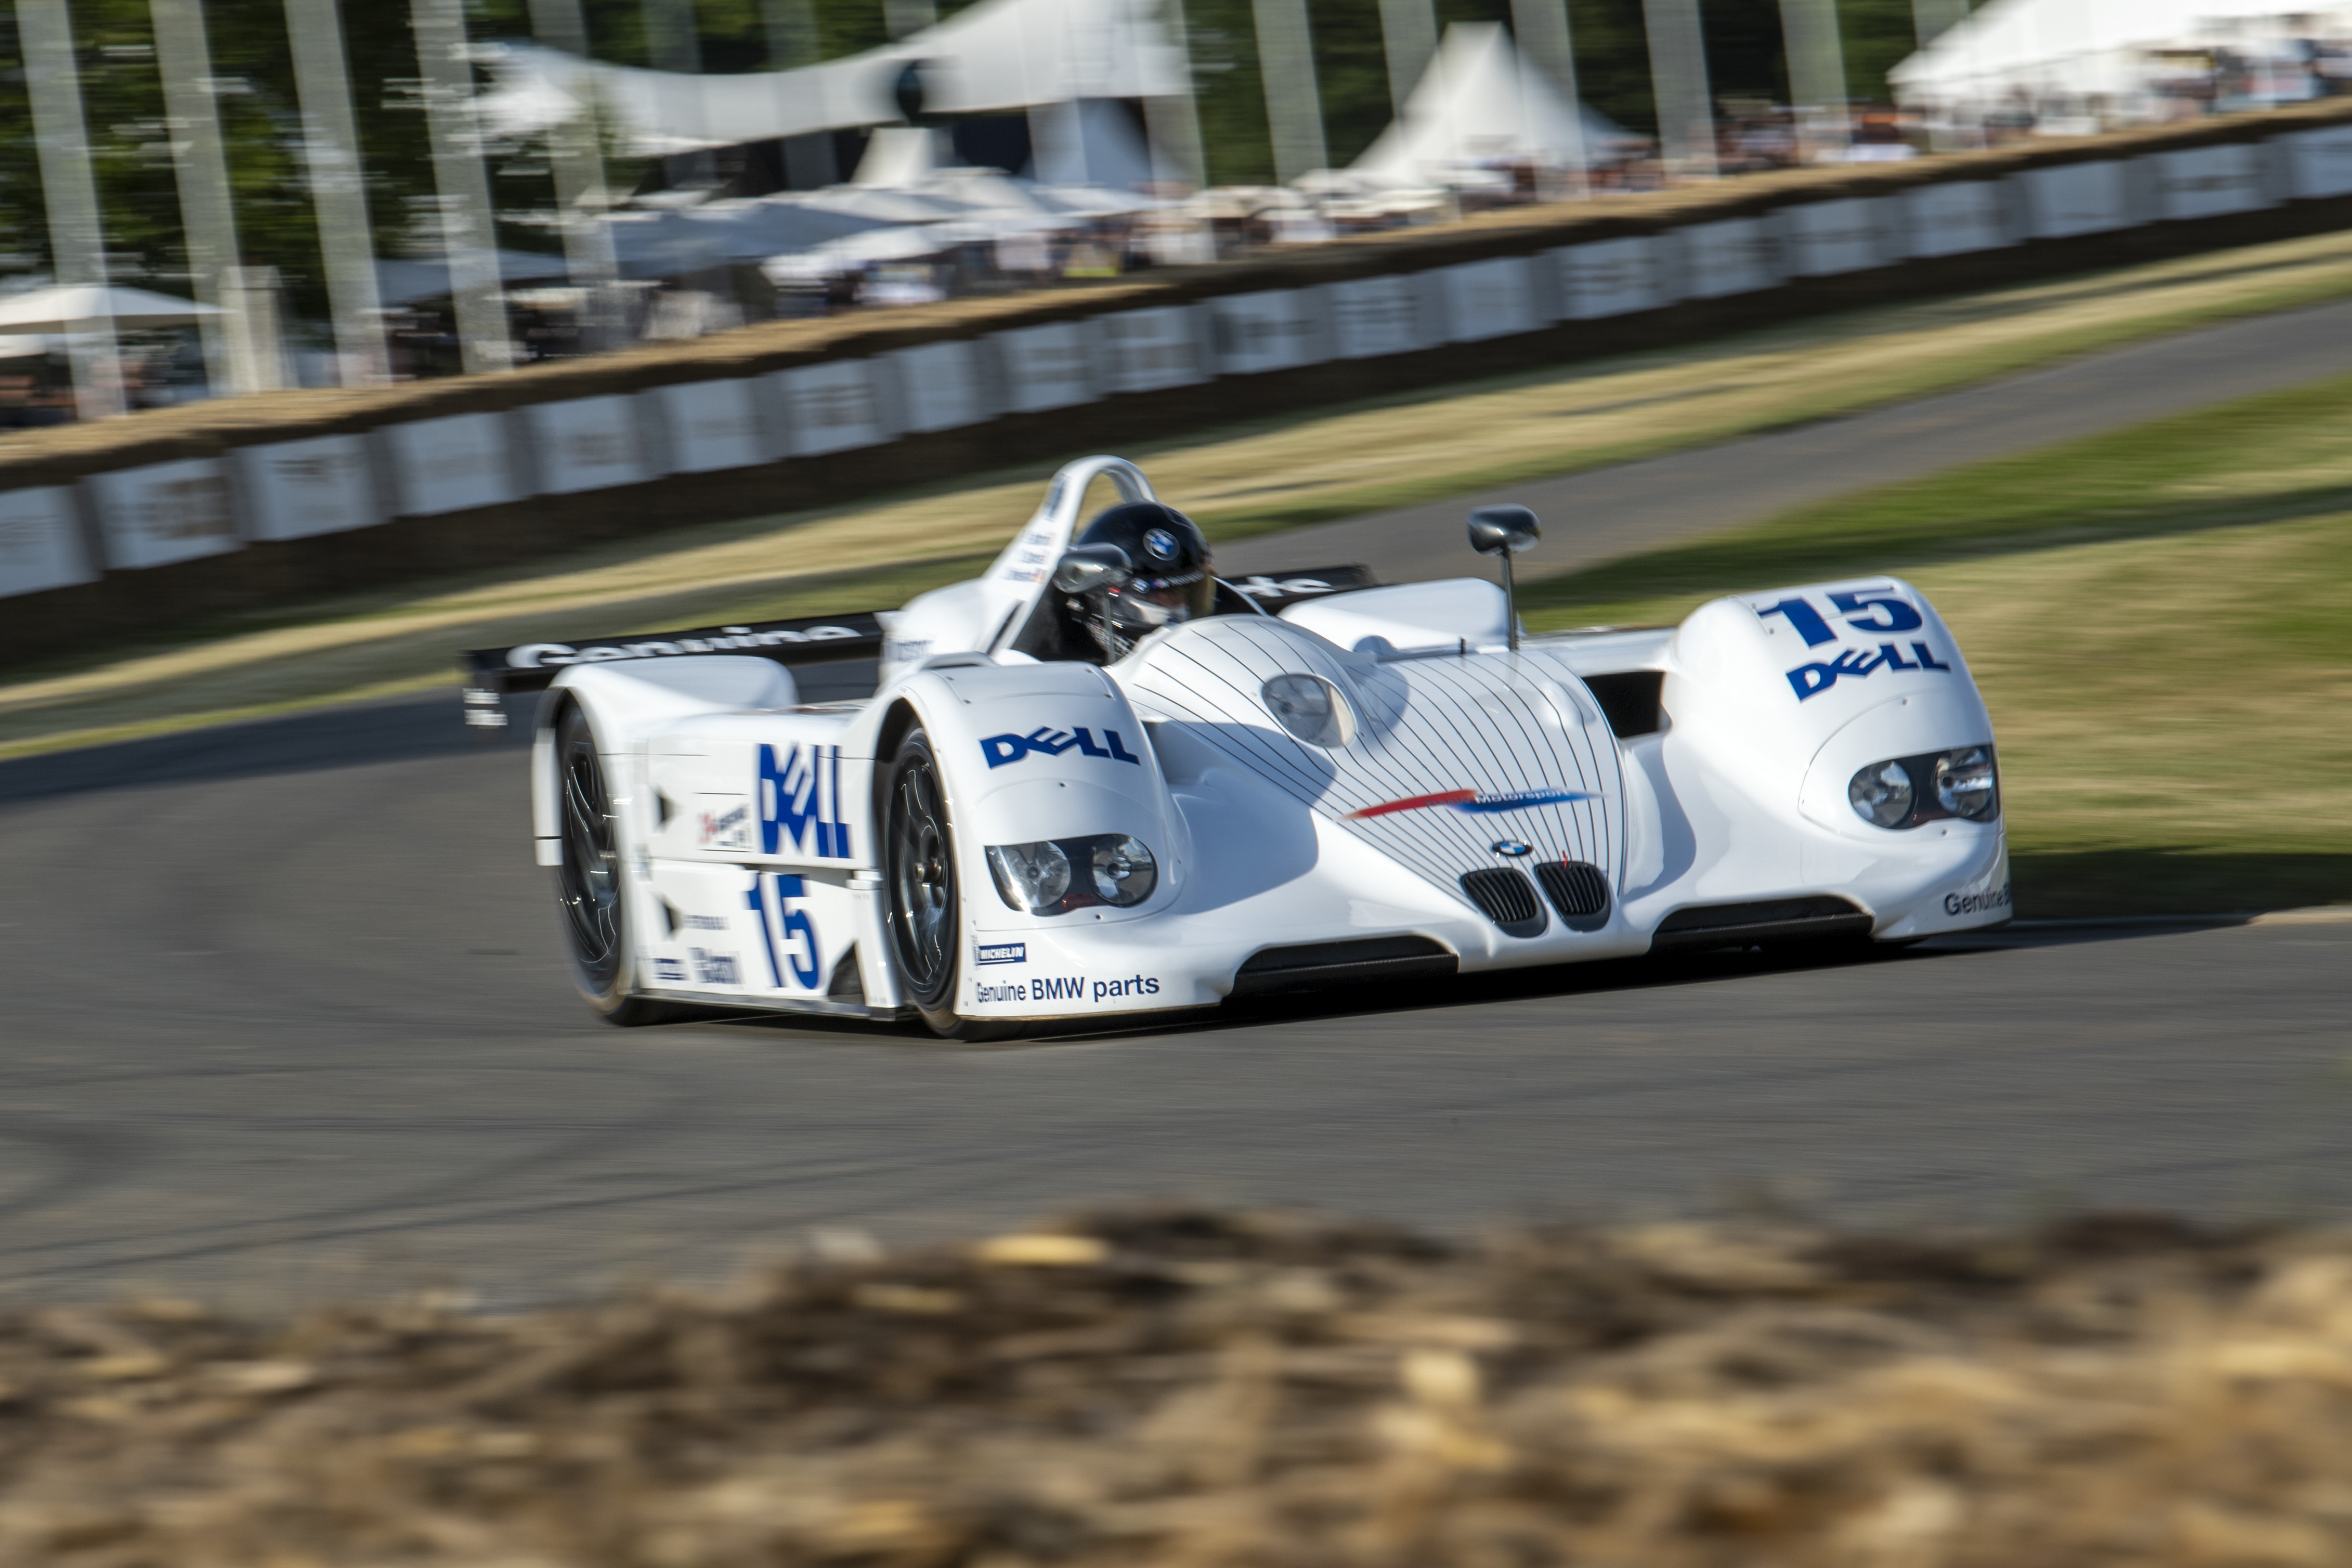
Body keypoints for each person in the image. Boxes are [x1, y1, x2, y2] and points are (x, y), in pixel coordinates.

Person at [1029, 500, 1217, 664]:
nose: (1171, 603)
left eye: (1181, 591)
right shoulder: (1053, 664)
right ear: (1098, 598)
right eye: (1153, 594)